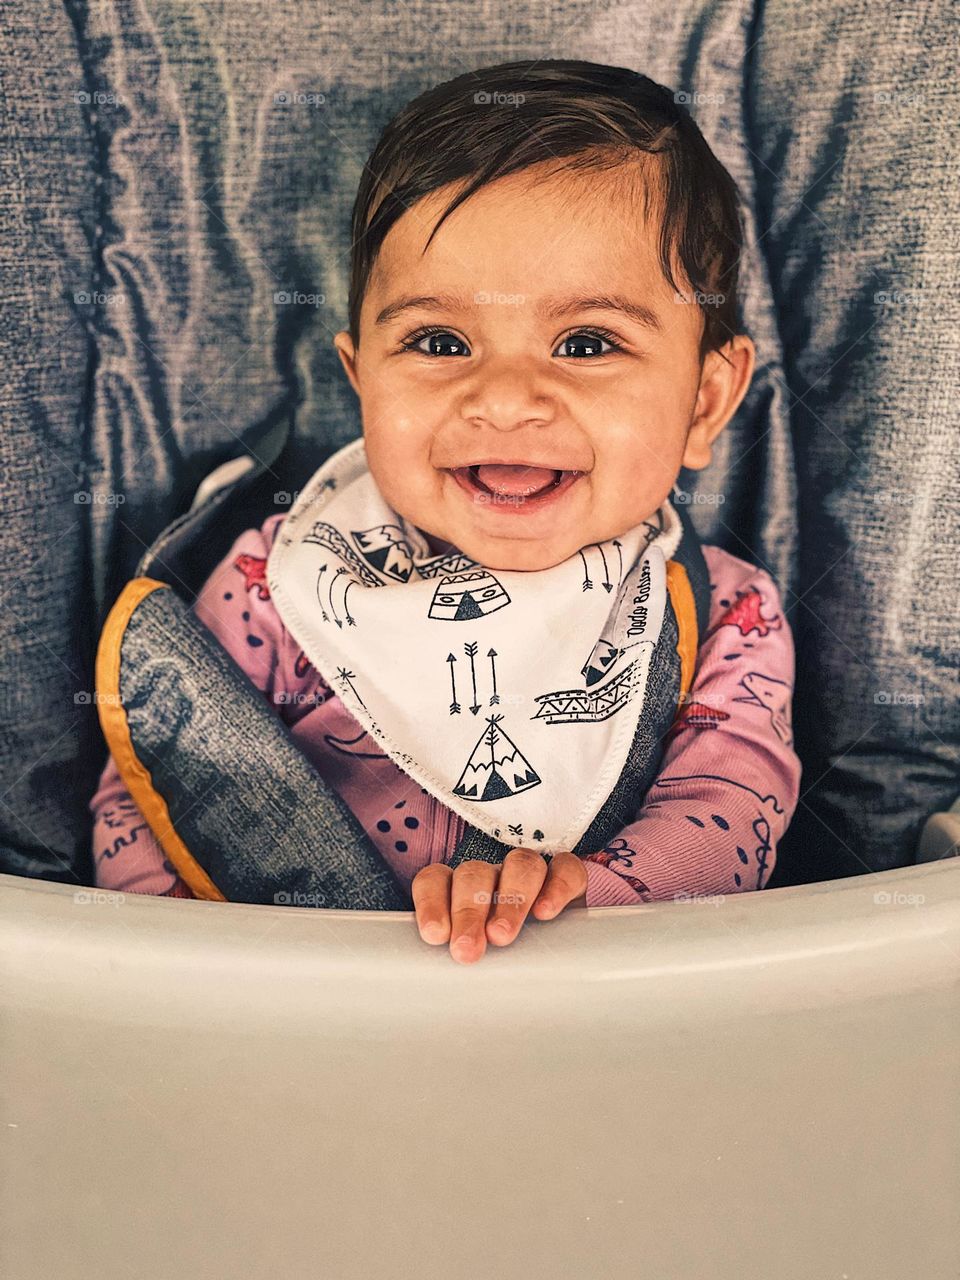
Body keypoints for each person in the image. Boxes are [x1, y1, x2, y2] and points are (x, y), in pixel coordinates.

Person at [90, 58, 801, 964]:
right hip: (286, 1004)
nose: (503, 399)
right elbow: (151, 788)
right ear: (362, 380)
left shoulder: (727, 615)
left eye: (587, 344)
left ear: (704, 401)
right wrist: (202, 978)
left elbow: (730, 814)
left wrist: (580, 906)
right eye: (439, 341)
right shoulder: (276, 582)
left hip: (584, 1008)